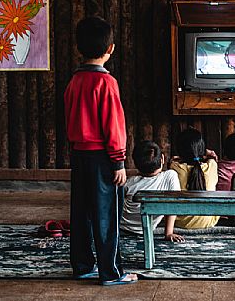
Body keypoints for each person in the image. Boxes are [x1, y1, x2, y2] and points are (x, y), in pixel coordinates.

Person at [64, 16, 137, 285]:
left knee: (81, 214)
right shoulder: (107, 83)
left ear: (79, 48)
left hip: (79, 155)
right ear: (111, 49)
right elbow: (114, 126)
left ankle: (83, 265)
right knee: (107, 216)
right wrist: (118, 162)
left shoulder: (74, 81)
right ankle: (111, 272)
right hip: (103, 159)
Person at [120, 141, 184, 242]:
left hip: (122, 228)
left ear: (136, 164)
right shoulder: (170, 176)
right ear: (162, 159)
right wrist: (168, 233)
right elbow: (173, 205)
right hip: (147, 229)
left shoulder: (129, 183)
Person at [169, 128, 220, 229]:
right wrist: (203, 152)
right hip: (208, 221)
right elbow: (212, 158)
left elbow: (174, 159)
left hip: (181, 222)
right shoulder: (212, 166)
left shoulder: (175, 167)